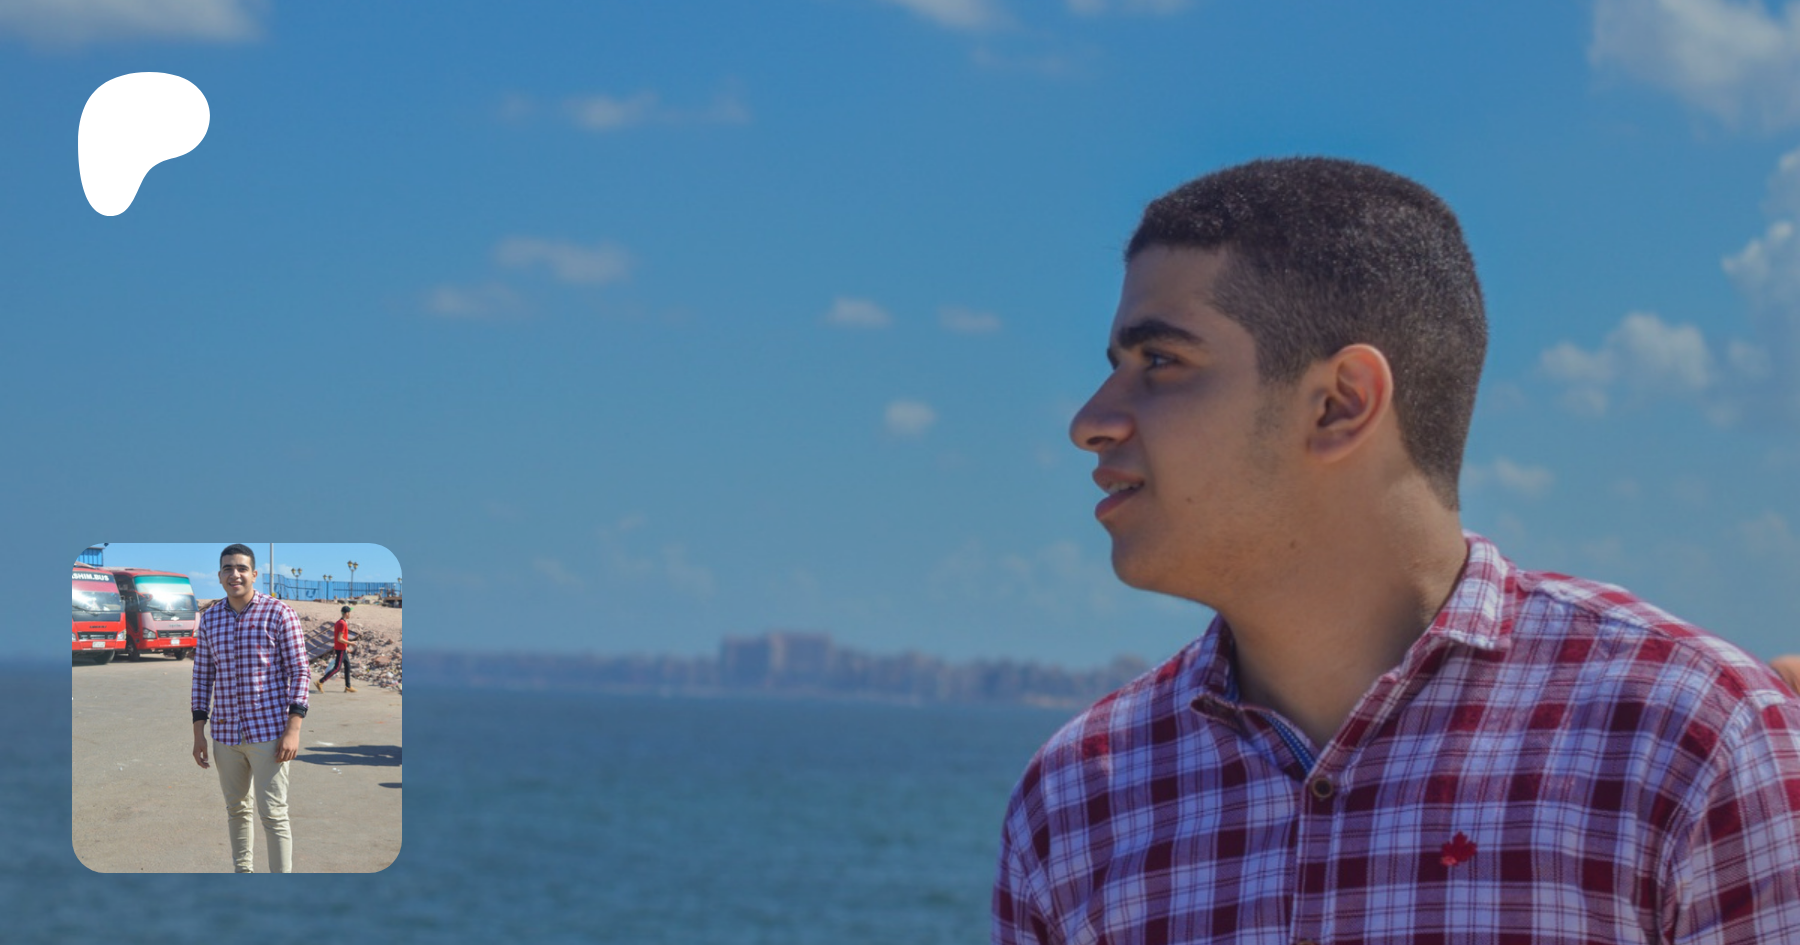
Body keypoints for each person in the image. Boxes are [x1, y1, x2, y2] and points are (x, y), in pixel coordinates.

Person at [992, 158, 1800, 944]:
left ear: (1341, 403)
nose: (1091, 421)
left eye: (1161, 362)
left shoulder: (1694, 743)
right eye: (1118, 366)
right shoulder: (1074, 805)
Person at [190, 543, 309, 873]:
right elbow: (202, 677)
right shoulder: (210, 619)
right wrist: (199, 734)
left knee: (274, 814)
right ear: (219, 576)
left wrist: (293, 729)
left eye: (241, 568)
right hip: (225, 735)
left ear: (254, 574)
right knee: (237, 810)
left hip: (269, 735)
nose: (235, 574)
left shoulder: (278, 613)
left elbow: (300, 671)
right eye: (228, 568)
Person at [316, 605, 356, 693]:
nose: (350, 614)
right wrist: (351, 643)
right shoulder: (342, 624)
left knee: (347, 666)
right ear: (346, 613)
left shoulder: (338, 622)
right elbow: (339, 639)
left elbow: (339, 638)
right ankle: (320, 682)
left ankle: (348, 686)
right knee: (337, 668)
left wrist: (346, 647)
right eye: (349, 612)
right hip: (341, 649)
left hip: (341, 648)